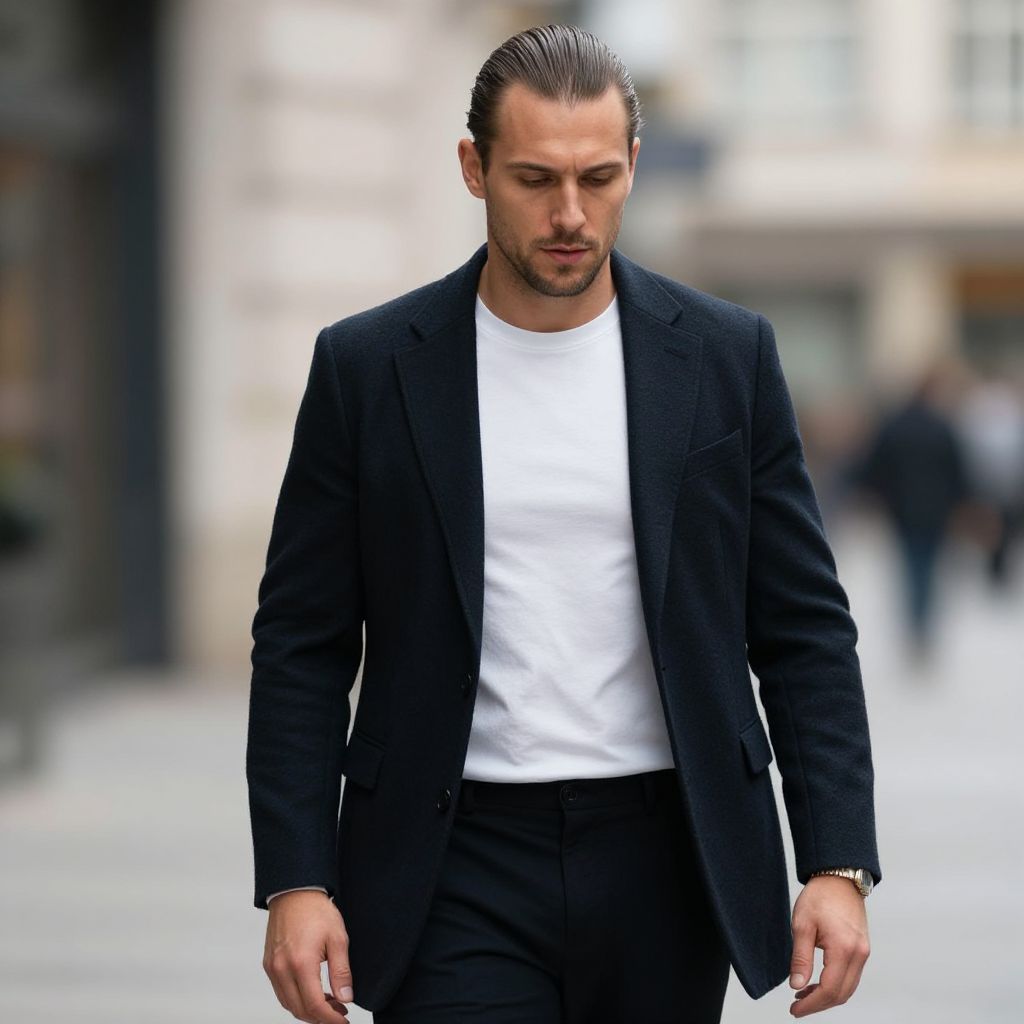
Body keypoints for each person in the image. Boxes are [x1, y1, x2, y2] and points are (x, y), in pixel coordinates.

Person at [246, 24, 881, 1024]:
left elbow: (802, 628)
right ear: (473, 168)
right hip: (448, 854)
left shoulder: (725, 358)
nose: (571, 214)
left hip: (668, 852)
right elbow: (302, 643)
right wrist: (295, 876)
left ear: (633, 163)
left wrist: (837, 857)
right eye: (536, 178)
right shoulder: (368, 369)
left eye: (598, 177)